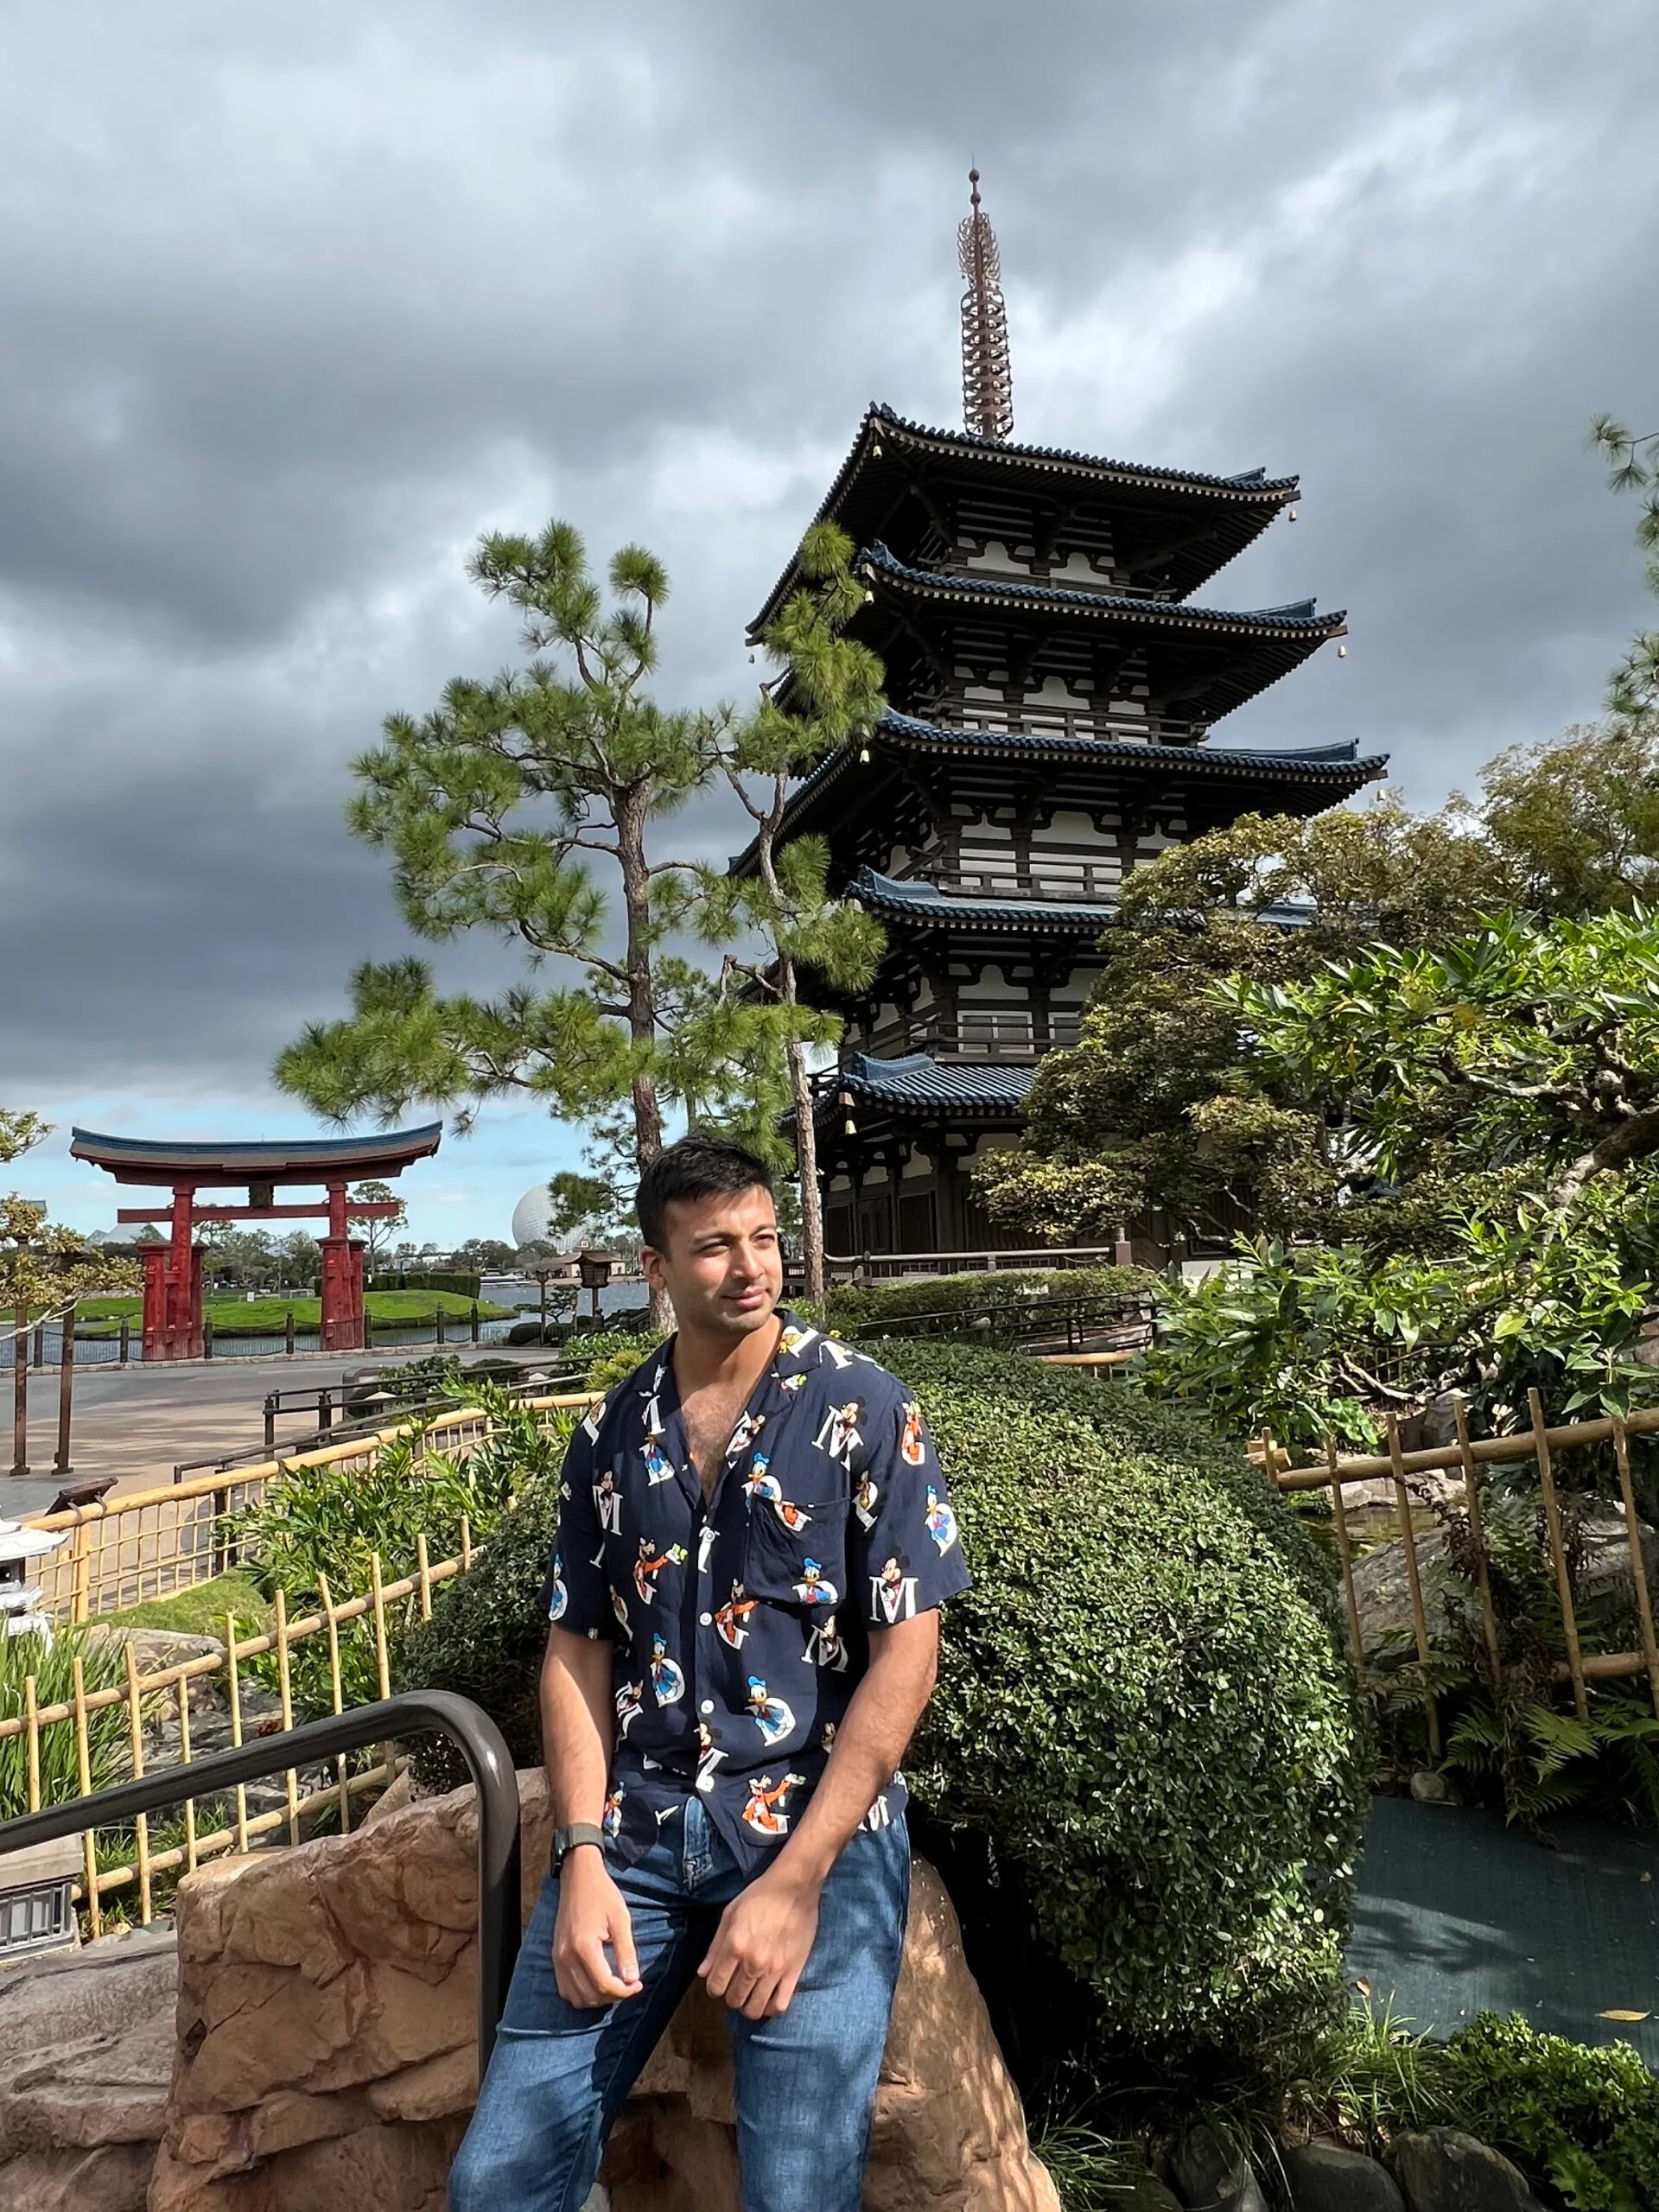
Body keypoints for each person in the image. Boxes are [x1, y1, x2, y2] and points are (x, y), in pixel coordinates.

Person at [449, 1135, 969, 2212]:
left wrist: (794, 1882)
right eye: (715, 1247)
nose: (752, 1267)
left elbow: (905, 1653)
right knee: (496, 2184)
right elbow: (577, 1647)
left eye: (765, 1238)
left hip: (811, 1831)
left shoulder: (863, 1407)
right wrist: (581, 1851)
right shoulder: (607, 1433)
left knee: (795, 2196)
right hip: (635, 1834)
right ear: (656, 1268)